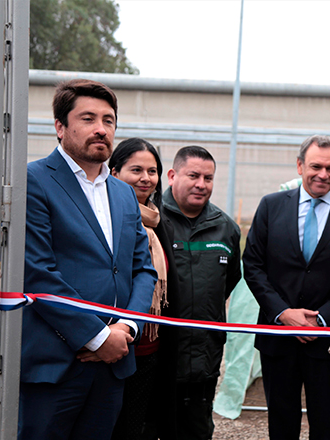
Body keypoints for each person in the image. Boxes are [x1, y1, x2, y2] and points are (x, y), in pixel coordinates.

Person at [20, 80, 157, 440]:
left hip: (113, 365)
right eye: (88, 118)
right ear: (60, 126)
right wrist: (97, 336)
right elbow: (36, 272)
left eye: (109, 120)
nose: (101, 128)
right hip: (57, 365)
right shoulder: (33, 181)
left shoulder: (124, 194)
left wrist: (125, 331)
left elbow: (142, 269)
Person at [243, 135, 330, 440]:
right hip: (278, 338)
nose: (323, 174)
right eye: (316, 166)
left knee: (326, 424)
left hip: (328, 341)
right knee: (281, 422)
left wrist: (323, 318)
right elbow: (253, 265)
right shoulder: (271, 206)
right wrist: (283, 313)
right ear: (300, 166)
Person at [158, 145, 241, 440]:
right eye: (193, 175)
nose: (201, 184)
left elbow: (228, 281)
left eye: (208, 178)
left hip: (203, 359)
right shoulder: (153, 221)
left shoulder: (226, 228)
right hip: (158, 359)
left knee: (196, 430)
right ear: (172, 175)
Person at [108, 138, 179, 440]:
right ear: (114, 172)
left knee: (133, 428)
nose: (146, 178)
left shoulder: (158, 221)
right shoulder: (107, 217)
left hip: (148, 349)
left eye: (152, 171)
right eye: (136, 169)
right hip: (111, 342)